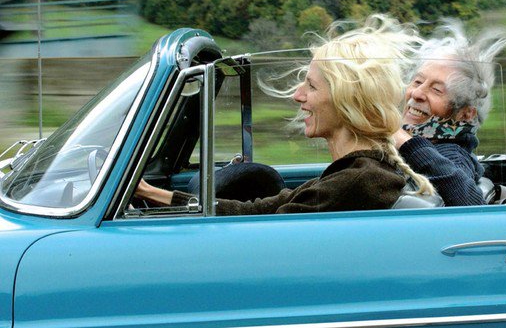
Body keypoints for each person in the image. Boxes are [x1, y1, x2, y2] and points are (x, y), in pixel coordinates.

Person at [135, 16, 442, 214]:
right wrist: (153, 194)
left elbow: (260, 223)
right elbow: (264, 208)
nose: (298, 96)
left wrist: (152, 196)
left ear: (345, 102)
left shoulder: (356, 182)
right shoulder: (358, 174)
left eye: (311, 86)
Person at [393, 20, 506, 206]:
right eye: (417, 82)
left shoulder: (452, 155)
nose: (417, 93)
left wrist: (406, 143)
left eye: (436, 90)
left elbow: (471, 202)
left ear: (465, 114)